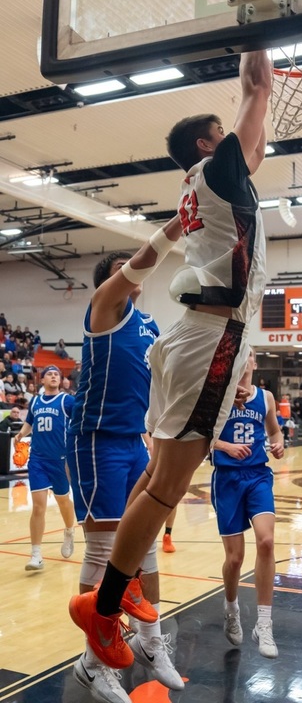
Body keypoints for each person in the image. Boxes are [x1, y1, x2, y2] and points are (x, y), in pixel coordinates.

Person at [68, 49, 272, 673]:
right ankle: (102, 608)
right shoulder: (217, 173)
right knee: (168, 487)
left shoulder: (210, 184)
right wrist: (262, 30)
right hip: (210, 340)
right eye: (227, 136)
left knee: (159, 484)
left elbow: (256, 145)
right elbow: (256, 91)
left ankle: (114, 588)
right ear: (212, 143)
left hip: (202, 338)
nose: (245, 145)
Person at [67, 217, 184, 703]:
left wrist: (159, 438)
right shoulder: (105, 307)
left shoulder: (150, 324)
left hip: (136, 440)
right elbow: (140, 263)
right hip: (97, 441)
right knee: (104, 551)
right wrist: (179, 224)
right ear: (111, 283)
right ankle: (93, 663)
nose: (133, 274)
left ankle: (150, 642)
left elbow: (157, 385)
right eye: (123, 270)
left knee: (146, 545)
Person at [212, 347, 284, 658]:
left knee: (266, 541)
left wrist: (279, 442)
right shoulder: (217, 394)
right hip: (226, 478)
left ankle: (264, 625)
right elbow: (202, 435)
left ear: (253, 362)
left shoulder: (265, 397)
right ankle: (231, 608)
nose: (245, 358)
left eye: (250, 354)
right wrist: (227, 446)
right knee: (235, 559)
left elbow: (275, 430)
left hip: (257, 475)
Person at [14, 365, 76, 571]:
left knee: (63, 501)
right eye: (49, 374)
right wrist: (21, 434)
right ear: (42, 380)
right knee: (38, 506)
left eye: (56, 374)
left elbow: (80, 420)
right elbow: (29, 422)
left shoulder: (67, 400)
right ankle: (36, 555)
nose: (53, 376)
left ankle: (69, 530)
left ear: (61, 380)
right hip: (38, 459)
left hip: (60, 459)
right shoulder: (35, 401)